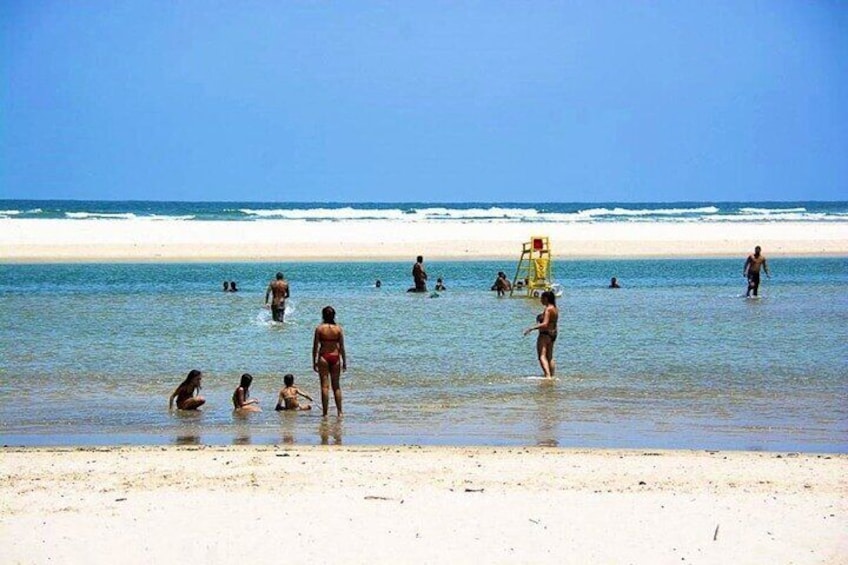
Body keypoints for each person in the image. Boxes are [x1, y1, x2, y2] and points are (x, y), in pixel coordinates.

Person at [313, 305, 347, 416]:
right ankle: (340, 412)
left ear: (323, 315)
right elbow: (342, 347)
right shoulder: (338, 329)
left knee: (324, 386)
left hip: (323, 357)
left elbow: (315, 347)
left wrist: (314, 361)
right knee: (336, 386)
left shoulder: (319, 329)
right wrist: (344, 361)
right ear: (334, 315)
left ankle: (325, 413)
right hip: (335, 357)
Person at [523, 291, 559, 379]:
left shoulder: (548, 309)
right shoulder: (555, 308)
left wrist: (531, 328)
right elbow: (553, 323)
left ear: (546, 298)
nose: (540, 300)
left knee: (542, 356)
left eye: (542, 298)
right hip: (553, 334)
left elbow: (545, 323)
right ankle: (552, 375)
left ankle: (547, 376)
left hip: (544, 334)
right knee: (550, 356)